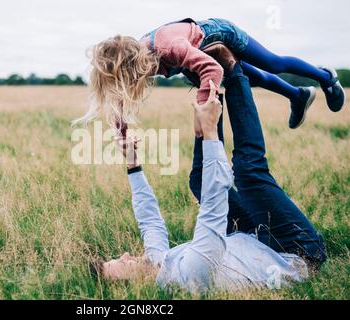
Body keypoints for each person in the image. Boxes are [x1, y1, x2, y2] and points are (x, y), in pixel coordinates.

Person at [91, 63, 327, 293]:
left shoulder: (158, 266)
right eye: (121, 265)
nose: (124, 256)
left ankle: (208, 81)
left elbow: (149, 221)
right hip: (296, 251)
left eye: (116, 258)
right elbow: (214, 206)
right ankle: (234, 72)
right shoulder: (190, 276)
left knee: (199, 179)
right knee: (248, 173)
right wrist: (210, 131)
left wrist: (132, 163)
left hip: (253, 237)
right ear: (135, 286)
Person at [73, 18, 345, 132]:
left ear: (132, 67)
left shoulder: (170, 48)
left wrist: (204, 114)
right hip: (200, 49)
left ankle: (325, 78)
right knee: (253, 79)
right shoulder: (138, 64)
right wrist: (121, 131)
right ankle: (298, 96)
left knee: (271, 64)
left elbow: (211, 69)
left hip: (220, 33)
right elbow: (120, 96)